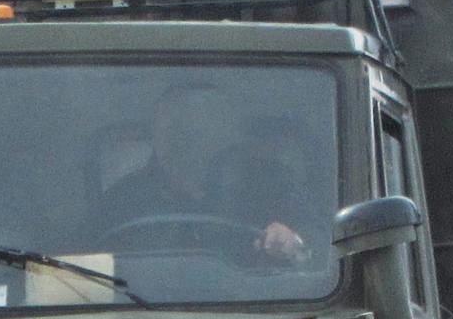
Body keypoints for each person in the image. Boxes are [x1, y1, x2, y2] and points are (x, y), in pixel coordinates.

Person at [97, 83, 309, 260]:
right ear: (154, 135)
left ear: (226, 134)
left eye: (195, 129)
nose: (184, 140)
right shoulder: (121, 201)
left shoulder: (271, 185)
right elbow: (81, 266)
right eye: (173, 129)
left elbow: (327, 246)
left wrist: (292, 240)